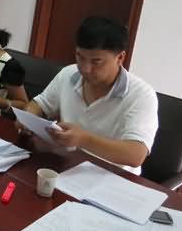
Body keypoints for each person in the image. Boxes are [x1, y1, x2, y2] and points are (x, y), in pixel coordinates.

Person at [24, 16, 158, 174]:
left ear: (120, 57)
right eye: (80, 57)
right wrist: (28, 117)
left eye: (96, 61)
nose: (85, 68)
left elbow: (136, 155)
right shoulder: (68, 74)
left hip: (113, 177)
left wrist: (84, 139)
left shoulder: (141, 95)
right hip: (67, 167)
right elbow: (38, 104)